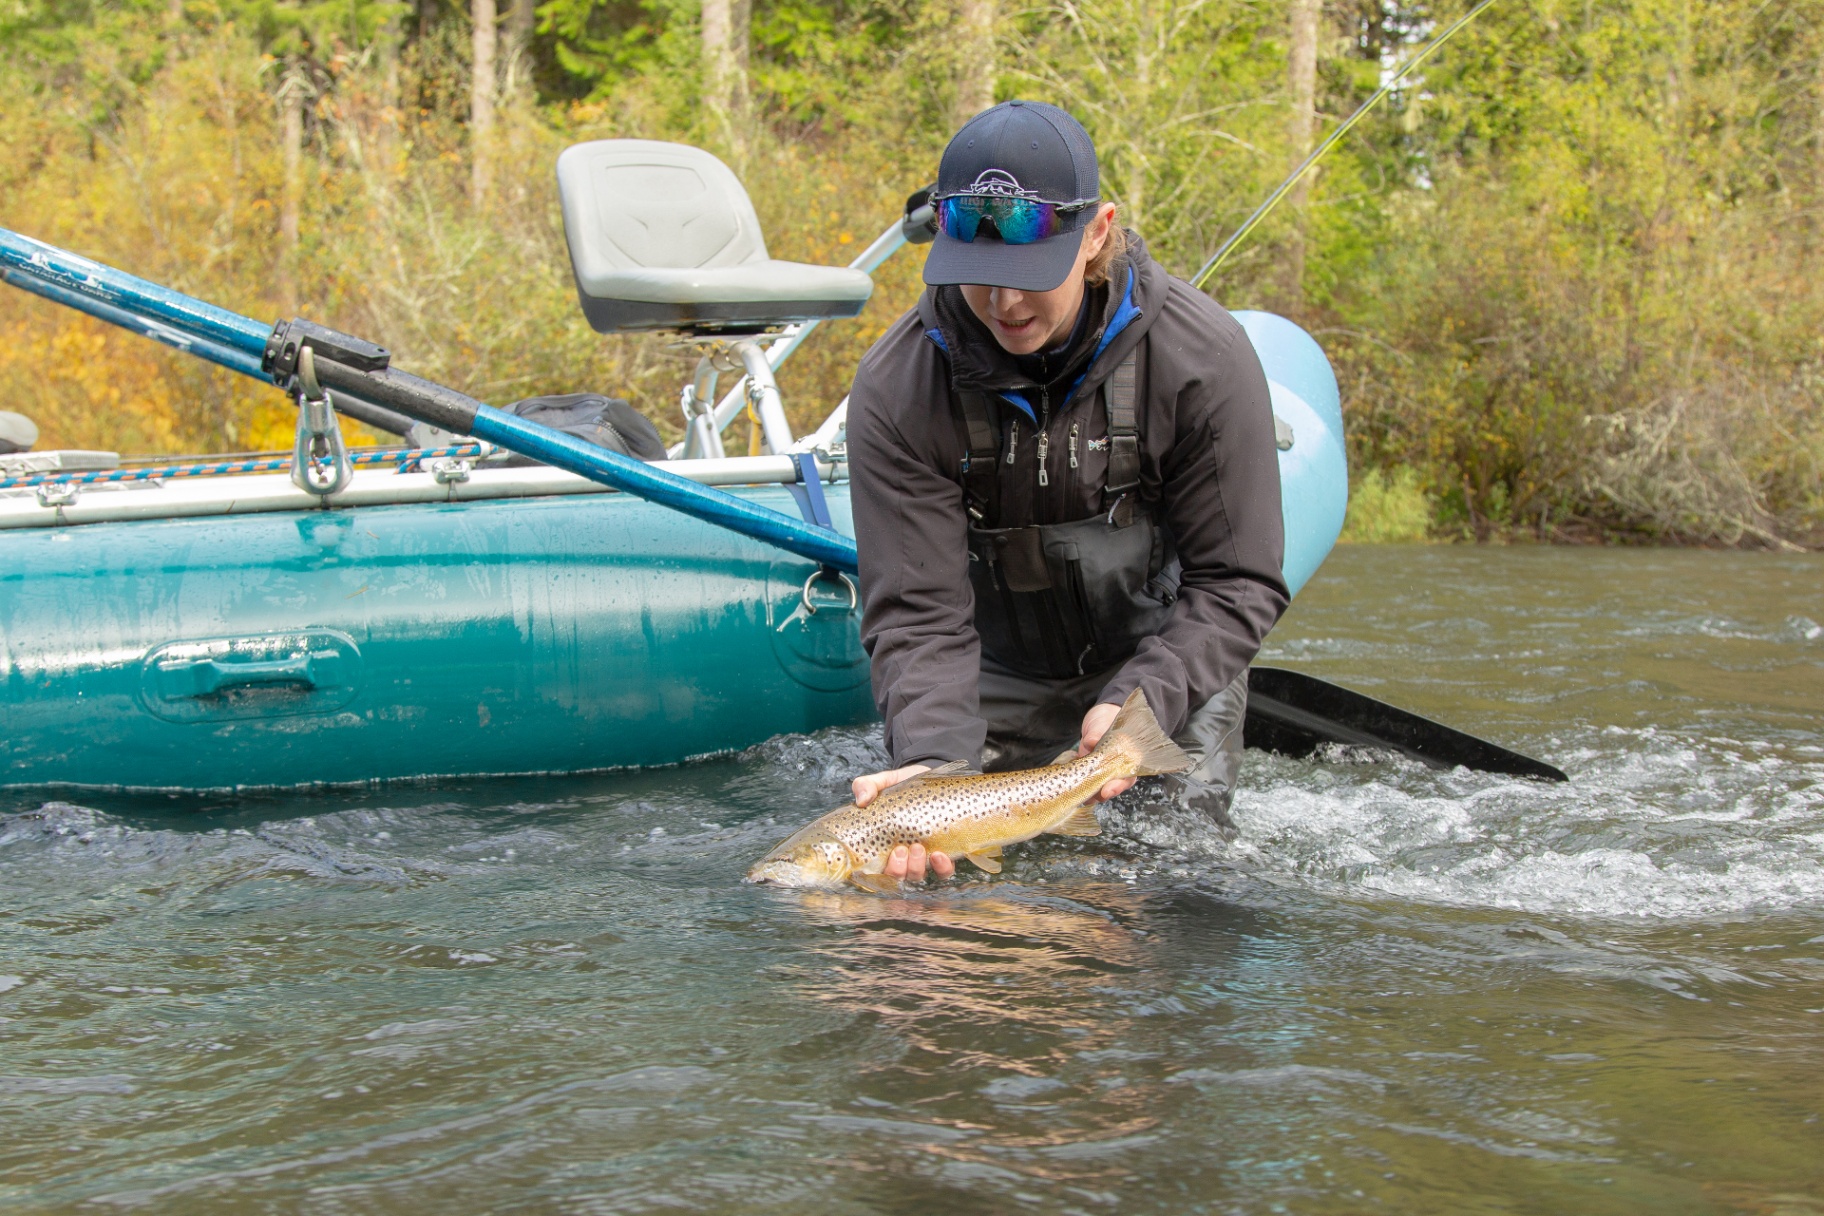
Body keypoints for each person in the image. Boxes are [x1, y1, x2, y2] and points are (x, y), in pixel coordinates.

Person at [845, 100, 1289, 883]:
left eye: (1028, 277)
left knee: (1170, 882)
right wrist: (932, 766)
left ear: (1096, 233)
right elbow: (918, 615)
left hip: (1163, 661)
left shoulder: (1205, 359)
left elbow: (1236, 581)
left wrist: (1143, 698)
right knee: (926, 897)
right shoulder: (896, 386)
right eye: (979, 278)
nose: (1004, 304)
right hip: (992, 673)